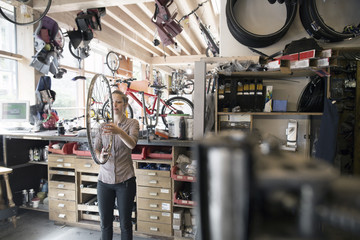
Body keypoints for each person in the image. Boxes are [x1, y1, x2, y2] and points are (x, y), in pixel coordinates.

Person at [95, 90, 139, 240]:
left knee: (125, 224)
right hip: (104, 181)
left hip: (125, 181)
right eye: (112, 102)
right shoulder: (102, 126)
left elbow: (132, 144)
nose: (114, 105)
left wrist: (119, 131)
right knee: (105, 223)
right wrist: (100, 155)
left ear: (125, 105)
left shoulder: (132, 123)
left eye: (118, 102)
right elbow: (95, 148)